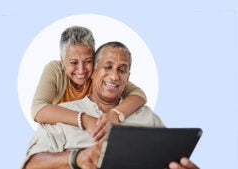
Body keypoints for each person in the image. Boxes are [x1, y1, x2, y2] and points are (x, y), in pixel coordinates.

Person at [22, 41, 199, 169]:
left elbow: (170, 158)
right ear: (93, 73)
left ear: (127, 77)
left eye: (121, 70)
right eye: (108, 67)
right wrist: (76, 158)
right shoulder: (63, 113)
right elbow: (30, 165)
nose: (114, 77)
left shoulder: (147, 116)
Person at [31, 26, 147, 139]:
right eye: (73, 62)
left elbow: (138, 94)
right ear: (63, 61)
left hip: (92, 134)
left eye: (88, 61)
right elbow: (38, 109)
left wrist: (115, 114)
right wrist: (85, 120)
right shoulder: (55, 70)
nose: (81, 70)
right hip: (64, 132)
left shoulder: (99, 75)